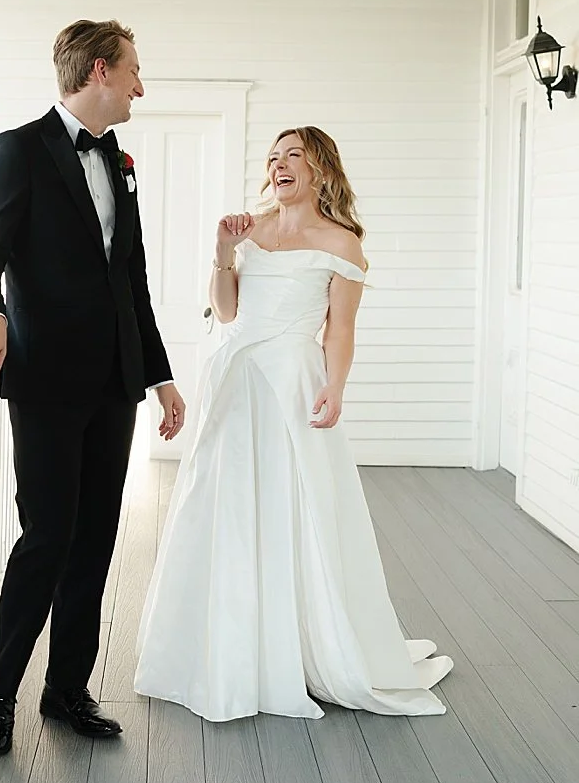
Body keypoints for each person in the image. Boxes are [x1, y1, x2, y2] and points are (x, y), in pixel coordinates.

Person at [134, 127, 452, 720]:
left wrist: (335, 386)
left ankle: (307, 642)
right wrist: (223, 252)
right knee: (225, 504)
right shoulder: (247, 228)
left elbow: (340, 327)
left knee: (296, 505)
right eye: (273, 157)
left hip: (294, 379)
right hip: (237, 379)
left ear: (319, 169)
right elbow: (227, 311)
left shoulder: (343, 242)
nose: (279, 166)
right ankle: (232, 646)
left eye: (293, 156)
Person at [0, 19, 186, 755]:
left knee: (95, 541)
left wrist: (161, 375)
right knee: (46, 537)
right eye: (136, 71)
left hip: (116, 382)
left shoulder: (122, 161)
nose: (143, 85)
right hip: (46, 380)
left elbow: (131, 282)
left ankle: (67, 691)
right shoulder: (18, 149)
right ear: (102, 70)